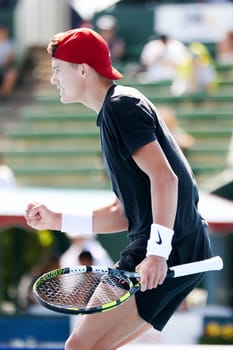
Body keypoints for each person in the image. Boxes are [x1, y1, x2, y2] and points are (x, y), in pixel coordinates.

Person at [25, 28, 212, 350]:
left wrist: (157, 252)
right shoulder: (114, 111)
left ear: (83, 69)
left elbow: (165, 179)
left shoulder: (121, 106)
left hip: (169, 251)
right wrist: (58, 220)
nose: (54, 80)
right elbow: (122, 214)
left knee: (80, 347)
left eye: (58, 70)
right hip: (171, 247)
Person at [0, 23, 18, 99]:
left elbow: (10, 57)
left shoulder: (10, 43)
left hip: (5, 67)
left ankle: (4, 96)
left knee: (11, 75)